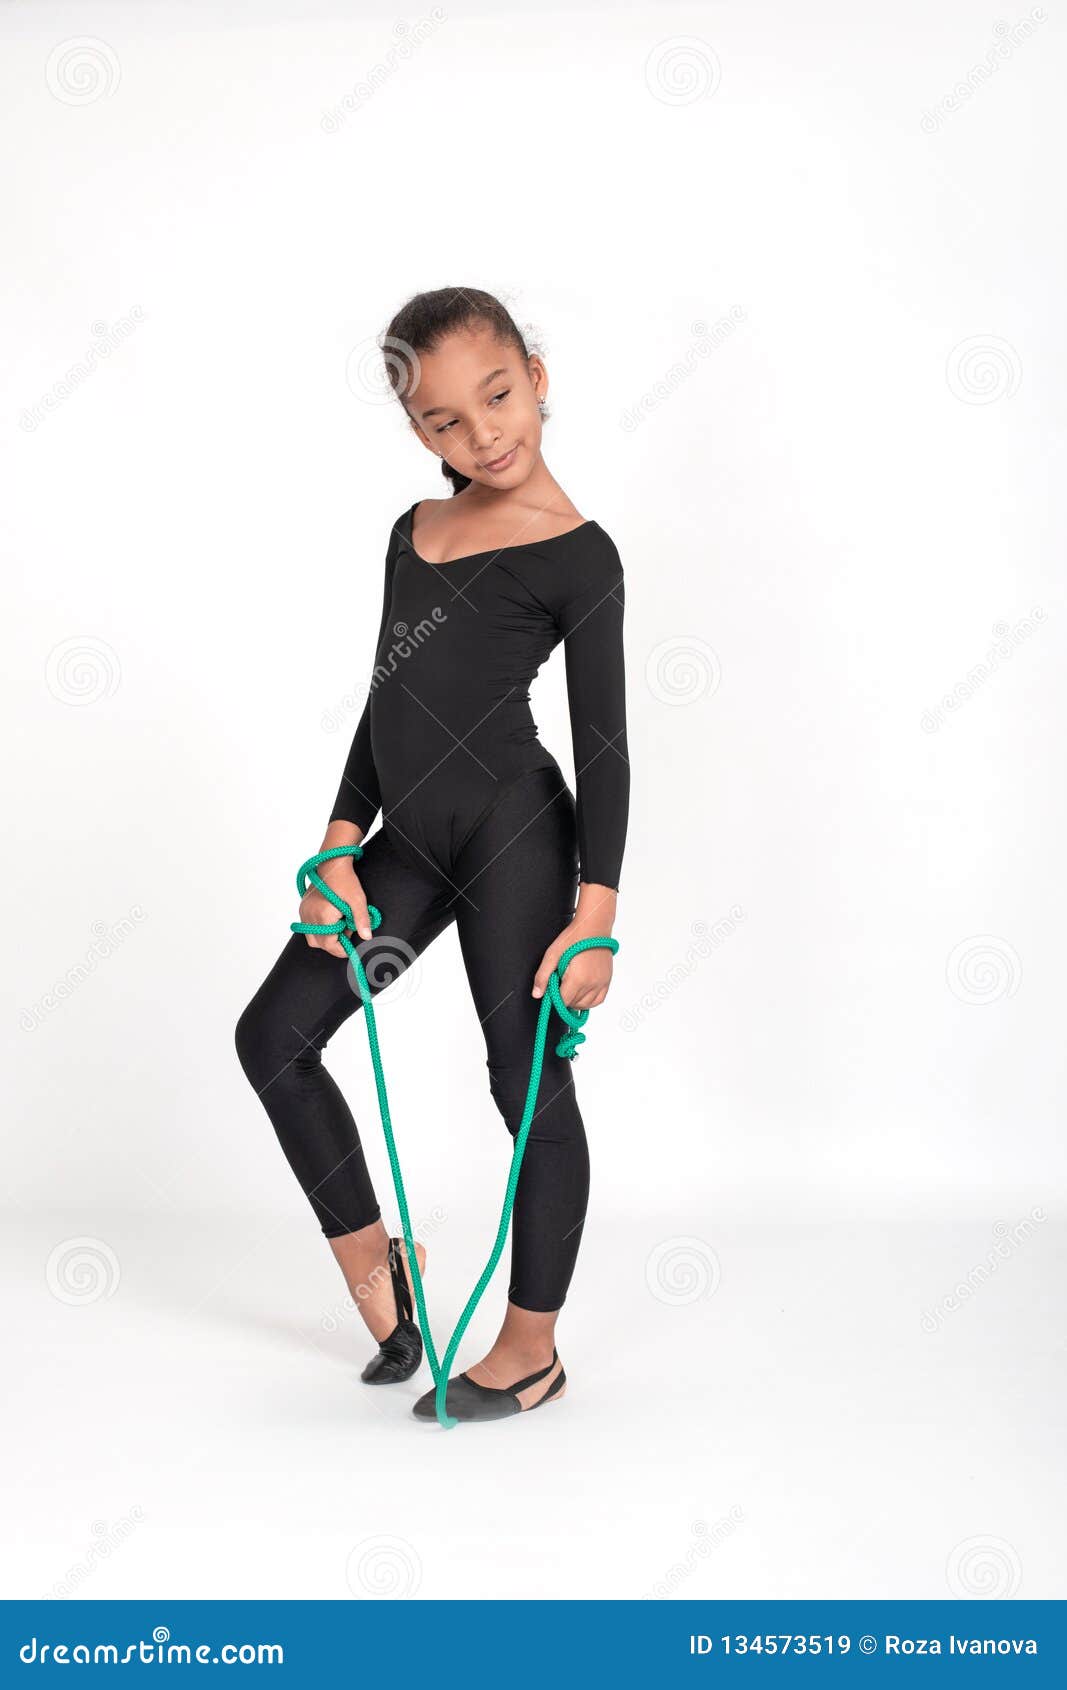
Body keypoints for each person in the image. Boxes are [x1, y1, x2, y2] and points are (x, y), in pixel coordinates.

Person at [235, 287, 630, 1424]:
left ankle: (530, 1347)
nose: (482, 434)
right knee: (274, 1037)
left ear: (537, 376)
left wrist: (594, 911)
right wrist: (337, 844)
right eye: (445, 421)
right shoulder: (413, 530)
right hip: (404, 842)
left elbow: (603, 747)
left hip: (514, 831)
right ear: (419, 434)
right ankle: (382, 1275)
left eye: (496, 396)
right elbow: (385, 702)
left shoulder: (579, 557)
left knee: (526, 1082)